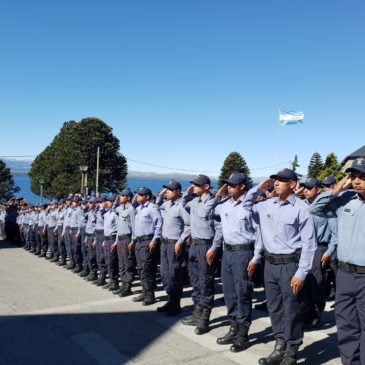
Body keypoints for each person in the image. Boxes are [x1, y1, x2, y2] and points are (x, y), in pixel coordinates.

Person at [245, 168, 317, 365]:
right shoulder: (266, 205)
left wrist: (301, 273)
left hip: (290, 265)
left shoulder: (302, 209)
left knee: (292, 308)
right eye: (275, 180)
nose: (276, 183)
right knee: (274, 307)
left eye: (281, 180)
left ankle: (291, 351)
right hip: (270, 265)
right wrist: (258, 187)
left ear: (293, 184)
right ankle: (280, 346)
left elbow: (309, 244)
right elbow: (245, 204)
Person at [308, 158, 365, 365]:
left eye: (362, 177)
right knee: (346, 325)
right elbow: (314, 210)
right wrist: (337, 188)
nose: (357, 181)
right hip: (345, 275)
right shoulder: (345, 199)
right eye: (354, 176)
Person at [214, 172, 256, 352]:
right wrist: (221, 191)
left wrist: (256, 257)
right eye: (227, 184)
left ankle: (242, 335)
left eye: (232, 184)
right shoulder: (224, 205)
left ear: (242, 186)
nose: (229, 186)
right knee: (229, 293)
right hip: (227, 252)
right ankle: (233, 328)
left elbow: (260, 232)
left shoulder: (250, 206)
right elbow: (210, 210)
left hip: (243, 252)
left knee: (243, 294)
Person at [181, 174, 218, 335]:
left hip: (206, 245)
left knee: (206, 281)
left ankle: (205, 318)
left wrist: (214, 248)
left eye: (197, 185)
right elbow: (183, 205)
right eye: (193, 184)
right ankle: (197, 311)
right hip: (194, 245)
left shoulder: (212, 202)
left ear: (207, 187)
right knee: (195, 279)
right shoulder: (194, 201)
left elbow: (219, 227)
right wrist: (187, 193)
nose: (194, 186)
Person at [298, 177, 337, 329]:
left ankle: (316, 313)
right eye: (304, 188)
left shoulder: (326, 208)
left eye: (309, 188)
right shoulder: (301, 206)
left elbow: (335, 234)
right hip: (302, 248)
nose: (306, 191)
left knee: (317, 282)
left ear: (318, 190)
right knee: (304, 282)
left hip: (319, 248)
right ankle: (306, 311)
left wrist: (329, 251)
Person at [156, 180, 190, 316]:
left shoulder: (180, 207)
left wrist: (180, 241)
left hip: (174, 244)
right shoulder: (167, 204)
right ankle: (170, 300)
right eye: (167, 190)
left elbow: (189, 225)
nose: (167, 192)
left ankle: (176, 305)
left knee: (174, 274)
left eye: (170, 190)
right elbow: (156, 204)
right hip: (164, 243)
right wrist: (162, 194)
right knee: (164, 274)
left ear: (178, 192)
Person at [132, 187, 162, 306]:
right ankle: (144, 291)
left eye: (140, 195)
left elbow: (159, 225)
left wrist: (154, 240)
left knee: (148, 268)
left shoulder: (152, 208)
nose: (137, 196)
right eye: (137, 194)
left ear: (147, 196)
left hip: (147, 241)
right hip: (139, 242)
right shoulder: (139, 208)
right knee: (140, 268)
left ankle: (150, 294)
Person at [114, 188, 137, 297]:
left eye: (122, 196)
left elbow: (134, 227)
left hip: (127, 238)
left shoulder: (131, 209)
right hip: (120, 238)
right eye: (120, 195)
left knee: (128, 263)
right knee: (121, 263)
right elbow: (114, 208)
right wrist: (117, 199)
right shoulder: (120, 208)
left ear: (128, 198)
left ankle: (128, 286)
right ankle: (123, 284)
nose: (120, 197)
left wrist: (132, 241)